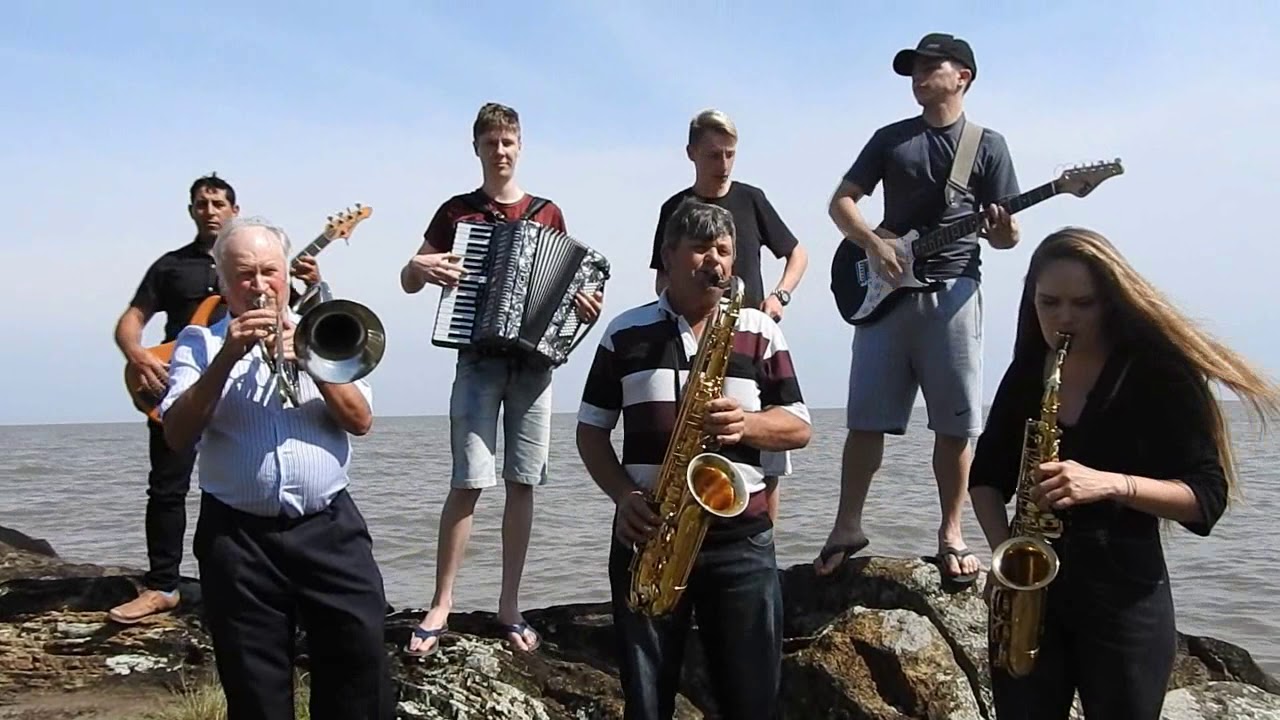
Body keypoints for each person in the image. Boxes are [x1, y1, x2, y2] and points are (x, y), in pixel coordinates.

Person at [969, 227, 1280, 719]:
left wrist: (1111, 483)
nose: (1063, 318)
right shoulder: (1030, 369)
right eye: (1048, 303)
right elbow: (986, 477)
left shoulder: (1158, 372)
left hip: (1124, 593)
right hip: (1032, 595)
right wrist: (1006, 557)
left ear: (1112, 301)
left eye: (1083, 303)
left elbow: (1206, 497)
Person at [578, 199, 812, 720]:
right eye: (701, 249)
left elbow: (799, 427)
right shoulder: (624, 332)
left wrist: (747, 424)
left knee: (752, 702)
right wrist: (624, 496)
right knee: (647, 703)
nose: (716, 262)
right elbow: (591, 431)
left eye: (725, 251)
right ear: (669, 255)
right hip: (650, 535)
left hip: (741, 543)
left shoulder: (760, 329)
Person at [159, 216, 391, 720]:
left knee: (361, 666)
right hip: (239, 540)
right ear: (222, 282)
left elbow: (360, 421)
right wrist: (228, 357)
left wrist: (311, 360)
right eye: (244, 274)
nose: (260, 285)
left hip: (329, 529)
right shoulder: (197, 345)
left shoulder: (325, 333)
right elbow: (177, 435)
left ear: (287, 275)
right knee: (256, 690)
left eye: (270, 271)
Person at [399, 102, 604, 657]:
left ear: (520, 145)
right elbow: (409, 279)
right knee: (467, 479)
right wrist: (422, 268)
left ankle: (509, 604)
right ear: (478, 148)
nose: (501, 151)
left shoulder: (547, 213)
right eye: (491, 142)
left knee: (523, 480)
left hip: (535, 365)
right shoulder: (457, 212)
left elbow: (571, 292)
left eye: (509, 142)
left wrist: (585, 306)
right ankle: (440, 602)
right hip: (477, 358)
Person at [815, 33, 1020, 584]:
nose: (919, 75)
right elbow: (841, 203)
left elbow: (1007, 238)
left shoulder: (988, 146)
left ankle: (952, 532)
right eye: (914, 68)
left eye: (932, 66)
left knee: (955, 424)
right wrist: (873, 244)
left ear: (963, 77)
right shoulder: (890, 139)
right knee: (865, 419)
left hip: (954, 292)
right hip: (885, 295)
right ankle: (847, 525)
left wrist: (1004, 228)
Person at [109, 173, 320, 624]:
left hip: (248, 386)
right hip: (180, 381)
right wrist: (139, 355)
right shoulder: (170, 266)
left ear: (234, 210)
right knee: (167, 486)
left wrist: (316, 282)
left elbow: (303, 318)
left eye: (219, 203)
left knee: (244, 481)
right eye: (201, 203)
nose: (210, 210)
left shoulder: (261, 259)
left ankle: (262, 581)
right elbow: (131, 320)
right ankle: (163, 585)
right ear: (191, 211)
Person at [649, 108, 809, 524]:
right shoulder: (675, 207)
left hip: (751, 338)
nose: (722, 165)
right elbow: (661, 279)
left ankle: (762, 551)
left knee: (768, 461)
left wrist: (780, 297)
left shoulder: (751, 199)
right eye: (713, 155)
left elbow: (797, 253)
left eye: (730, 155)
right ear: (692, 154)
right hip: (691, 342)